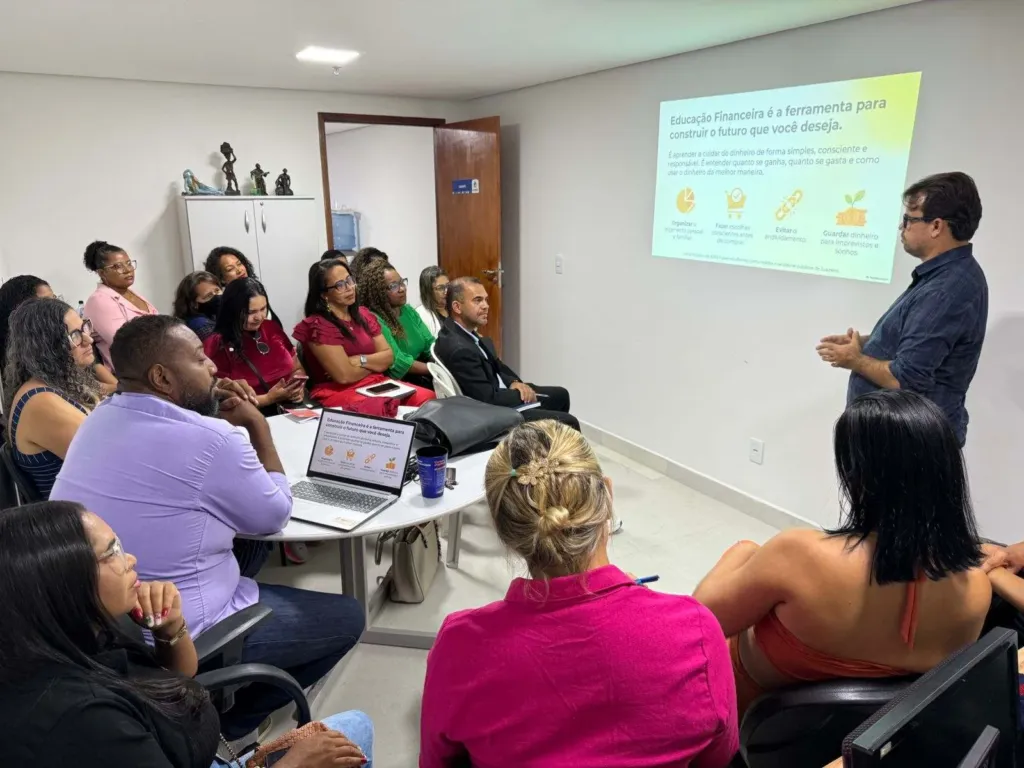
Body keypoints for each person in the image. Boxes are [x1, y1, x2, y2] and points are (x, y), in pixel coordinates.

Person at [50, 315, 365, 735]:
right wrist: (256, 425)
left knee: (244, 544)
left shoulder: (96, 419)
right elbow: (274, 514)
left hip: (102, 626)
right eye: (200, 359)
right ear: (162, 377)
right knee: (348, 617)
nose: (214, 366)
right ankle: (226, 723)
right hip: (174, 633)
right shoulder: (214, 438)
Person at [420, 420, 738, 767]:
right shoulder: (697, 632)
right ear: (608, 496)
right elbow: (718, 758)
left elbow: (437, 762)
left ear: (502, 527)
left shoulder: (461, 646)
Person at [0, 501, 374, 768]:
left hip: (181, 745)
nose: (129, 559)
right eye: (111, 552)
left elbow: (178, 677)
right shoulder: (85, 721)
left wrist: (170, 629)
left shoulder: (71, 634)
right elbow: (273, 509)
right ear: (65, 584)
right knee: (355, 729)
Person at [693, 390, 991, 719]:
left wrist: (741, 552)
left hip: (742, 713)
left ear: (857, 475)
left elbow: (697, 622)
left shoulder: (799, 554)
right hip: (853, 734)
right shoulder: (976, 591)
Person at [816, 172, 986, 446]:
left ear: (936, 226)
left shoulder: (945, 290)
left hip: (909, 443)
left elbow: (905, 378)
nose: (901, 227)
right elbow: (917, 342)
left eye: (909, 219)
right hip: (900, 435)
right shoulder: (946, 276)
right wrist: (864, 342)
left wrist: (855, 360)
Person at [292, 258, 434, 415]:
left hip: (376, 383)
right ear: (324, 294)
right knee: (382, 409)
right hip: (338, 391)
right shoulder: (318, 325)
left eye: (349, 280)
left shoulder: (364, 315)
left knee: (427, 398)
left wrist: (360, 360)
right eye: (340, 285)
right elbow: (344, 376)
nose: (349, 288)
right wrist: (374, 364)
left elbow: (388, 357)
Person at [434, 277, 579, 429]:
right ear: (457, 307)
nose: (486, 306)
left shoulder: (459, 331)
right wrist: (522, 393)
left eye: (486, 300)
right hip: (496, 413)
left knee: (561, 395)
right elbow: (487, 399)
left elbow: (497, 365)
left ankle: (550, 441)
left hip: (500, 391)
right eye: (478, 300)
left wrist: (513, 382)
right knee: (569, 421)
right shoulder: (460, 349)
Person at [4, 298, 101, 499]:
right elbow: (107, 461)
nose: (88, 339)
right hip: (76, 512)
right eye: (75, 335)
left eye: (84, 327)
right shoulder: (41, 402)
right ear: (47, 347)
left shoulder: (57, 384)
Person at [204, 277, 306, 415]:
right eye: (251, 312)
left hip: (291, 411)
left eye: (263, 309)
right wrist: (268, 399)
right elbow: (219, 399)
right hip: (251, 417)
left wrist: (297, 388)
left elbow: (297, 368)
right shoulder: (217, 344)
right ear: (232, 311)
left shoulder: (271, 328)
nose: (259, 317)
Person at [359, 260, 436, 389]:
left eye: (402, 282)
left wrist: (443, 362)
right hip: (403, 379)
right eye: (393, 286)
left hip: (425, 369)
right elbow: (398, 361)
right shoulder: (375, 319)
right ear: (378, 292)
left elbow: (430, 343)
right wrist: (434, 370)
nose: (402, 289)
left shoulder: (408, 311)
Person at [82, 240, 158, 369]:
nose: (128, 270)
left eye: (129, 263)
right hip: (133, 371)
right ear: (102, 273)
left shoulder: (130, 293)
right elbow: (125, 344)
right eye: (117, 266)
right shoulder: (99, 300)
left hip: (155, 361)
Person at [172, 270, 222, 341]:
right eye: (209, 295)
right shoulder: (200, 325)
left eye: (217, 290)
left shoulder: (213, 316)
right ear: (193, 304)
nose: (217, 296)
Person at [416, 266, 449, 337]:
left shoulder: (454, 307)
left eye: (447, 286)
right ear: (428, 291)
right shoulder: (421, 315)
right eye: (440, 288)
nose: (446, 291)